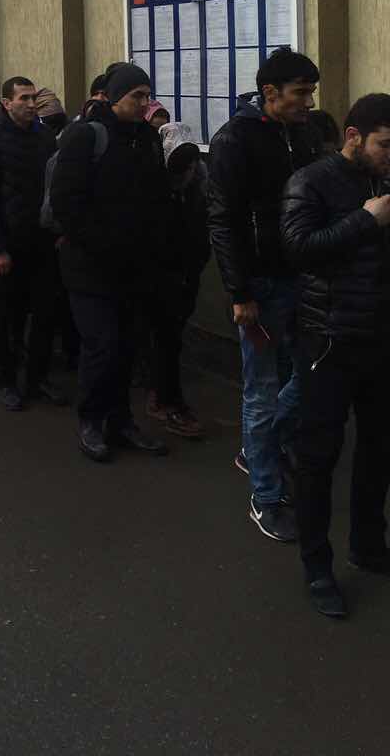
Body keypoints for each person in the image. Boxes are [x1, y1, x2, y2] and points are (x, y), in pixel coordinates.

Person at [280, 93, 390, 619]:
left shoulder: (384, 180)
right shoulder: (311, 181)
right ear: (353, 137)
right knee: (318, 457)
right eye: (385, 145)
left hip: (380, 338)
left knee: (378, 451)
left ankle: (367, 544)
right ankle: (317, 565)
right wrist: (365, 221)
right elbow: (297, 248)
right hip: (327, 340)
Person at [208, 47, 321, 543]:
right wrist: (239, 292)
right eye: (301, 93)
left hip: (304, 279)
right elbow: (223, 220)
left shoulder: (305, 133)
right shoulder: (234, 140)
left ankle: (260, 452)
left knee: (306, 376)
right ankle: (266, 496)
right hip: (260, 285)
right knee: (262, 391)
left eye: (312, 93)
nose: (309, 102)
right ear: (270, 93)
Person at [49, 63, 171, 459]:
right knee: (101, 346)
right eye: (136, 96)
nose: (144, 103)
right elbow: (66, 201)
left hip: (134, 268)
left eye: (147, 95)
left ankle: (121, 422)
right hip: (90, 267)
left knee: (127, 347)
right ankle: (91, 421)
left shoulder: (147, 139)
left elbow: (156, 198)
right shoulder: (86, 135)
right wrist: (101, 243)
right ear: (115, 97)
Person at [0, 76, 64, 411]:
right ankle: (5, 378)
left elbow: (55, 186)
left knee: (44, 314)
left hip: (41, 241)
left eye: (33, 98)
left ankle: (37, 377)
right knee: (5, 315)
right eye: (23, 98)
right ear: (6, 103)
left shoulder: (45, 137)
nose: (30, 104)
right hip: (7, 246)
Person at [144, 123, 209, 439]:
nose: (187, 172)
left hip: (186, 273)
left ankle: (161, 393)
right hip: (159, 275)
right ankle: (167, 400)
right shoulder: (153, 189)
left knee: (170, 339)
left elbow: (200, 231)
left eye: (191, 165)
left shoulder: (197, 186)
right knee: (165, 339)